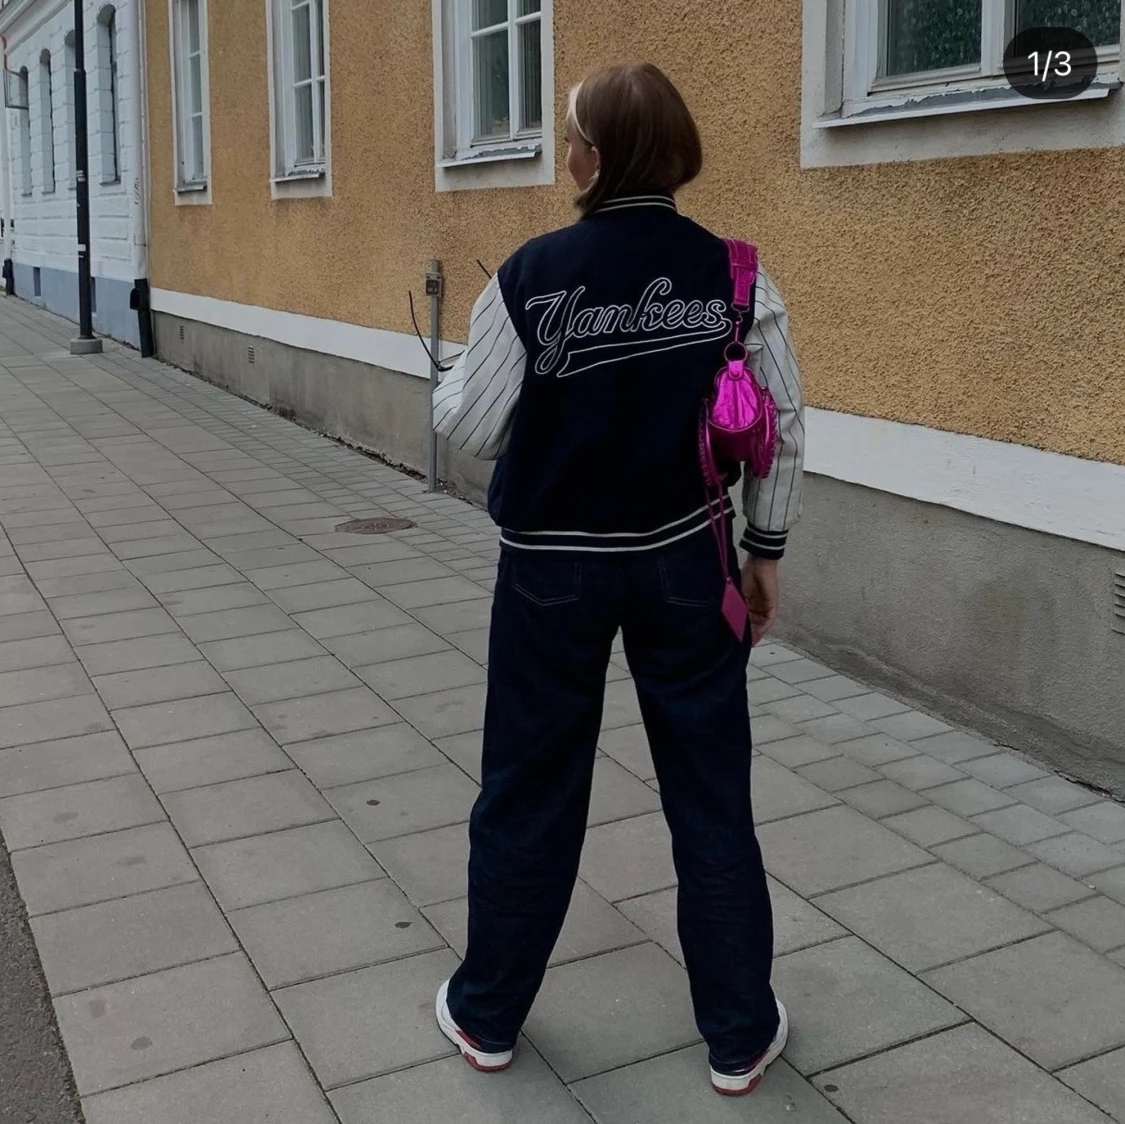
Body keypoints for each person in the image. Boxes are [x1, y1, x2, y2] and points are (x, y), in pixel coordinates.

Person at [431, 61, 805, 1097]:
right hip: (688, 556)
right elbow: (781, 423)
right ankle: (738, 1033)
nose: (564, 152)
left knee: (528, 790)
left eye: (569, 136)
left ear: (594, 156)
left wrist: (450, 376)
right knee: (710, 793)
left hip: (551, 571)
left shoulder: (529, 274)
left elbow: (471, 427)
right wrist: (765, 550)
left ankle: (487, 1012)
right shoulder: (736, 275)